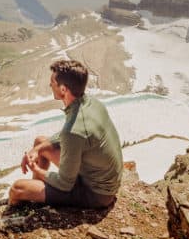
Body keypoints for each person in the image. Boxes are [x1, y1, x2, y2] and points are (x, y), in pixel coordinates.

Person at [9, 59, 122, 209]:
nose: (50, 85)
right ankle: (34, 196)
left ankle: (16, 208)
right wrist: (37, 149)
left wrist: (37, 170)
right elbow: (70, 135)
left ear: (63, 89)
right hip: (97, 176)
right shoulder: (92, 103)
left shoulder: (75, 131)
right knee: (41, 142)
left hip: (96, 194)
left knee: (17, 188)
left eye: (52, 82)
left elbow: (64, 183)